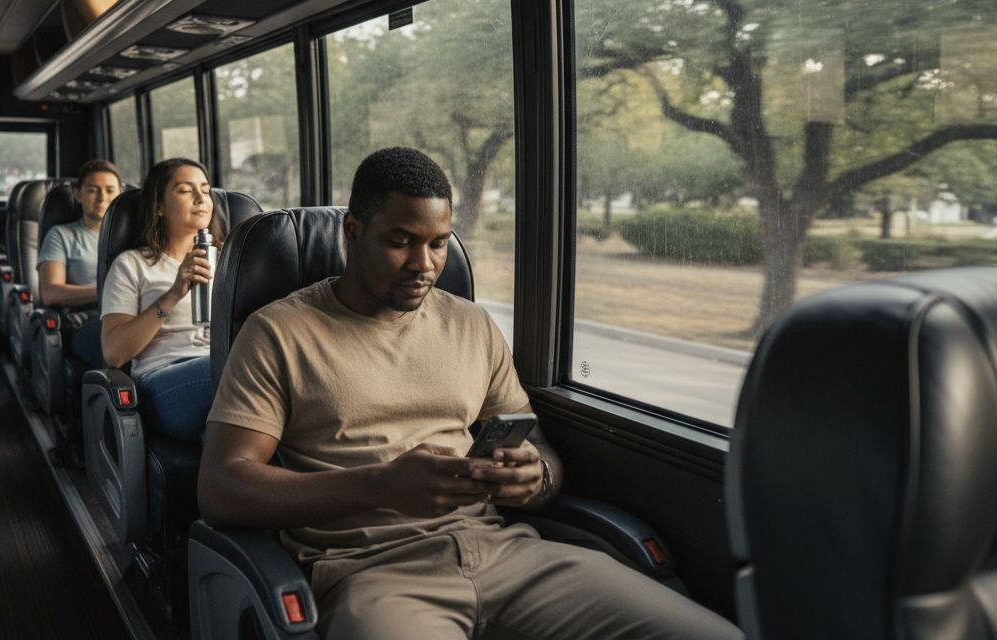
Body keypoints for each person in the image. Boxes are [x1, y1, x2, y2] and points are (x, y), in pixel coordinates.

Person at [199, 148, 742, 640]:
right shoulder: (278, 331)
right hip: (371, 573)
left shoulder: (472, 325)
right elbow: (223, 488)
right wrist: (381, 486)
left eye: (438, 244)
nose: (425, 264)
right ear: (353, 230)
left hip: (507, 555)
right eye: (400, 242)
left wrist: (534, 478)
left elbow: (539, 451)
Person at [100, 158, 222, 443]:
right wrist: (174, 293)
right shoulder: (132, 264)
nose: (200, 198)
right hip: (163, 379)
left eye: (205, 189)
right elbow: (114, 352)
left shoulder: (231, 259)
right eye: (184, 190)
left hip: (221, 367)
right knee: (231, 370)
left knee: (222, 434)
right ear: (158, 206)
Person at [37, 159, 123, 369]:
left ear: (120, 194)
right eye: (93, 190)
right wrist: (107, 291)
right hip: (84, 318)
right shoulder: (61, 235)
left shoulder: (132, 236)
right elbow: (50, 293)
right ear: (78, 194)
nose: (103, 198)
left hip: (130, 313)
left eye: (110, 190)